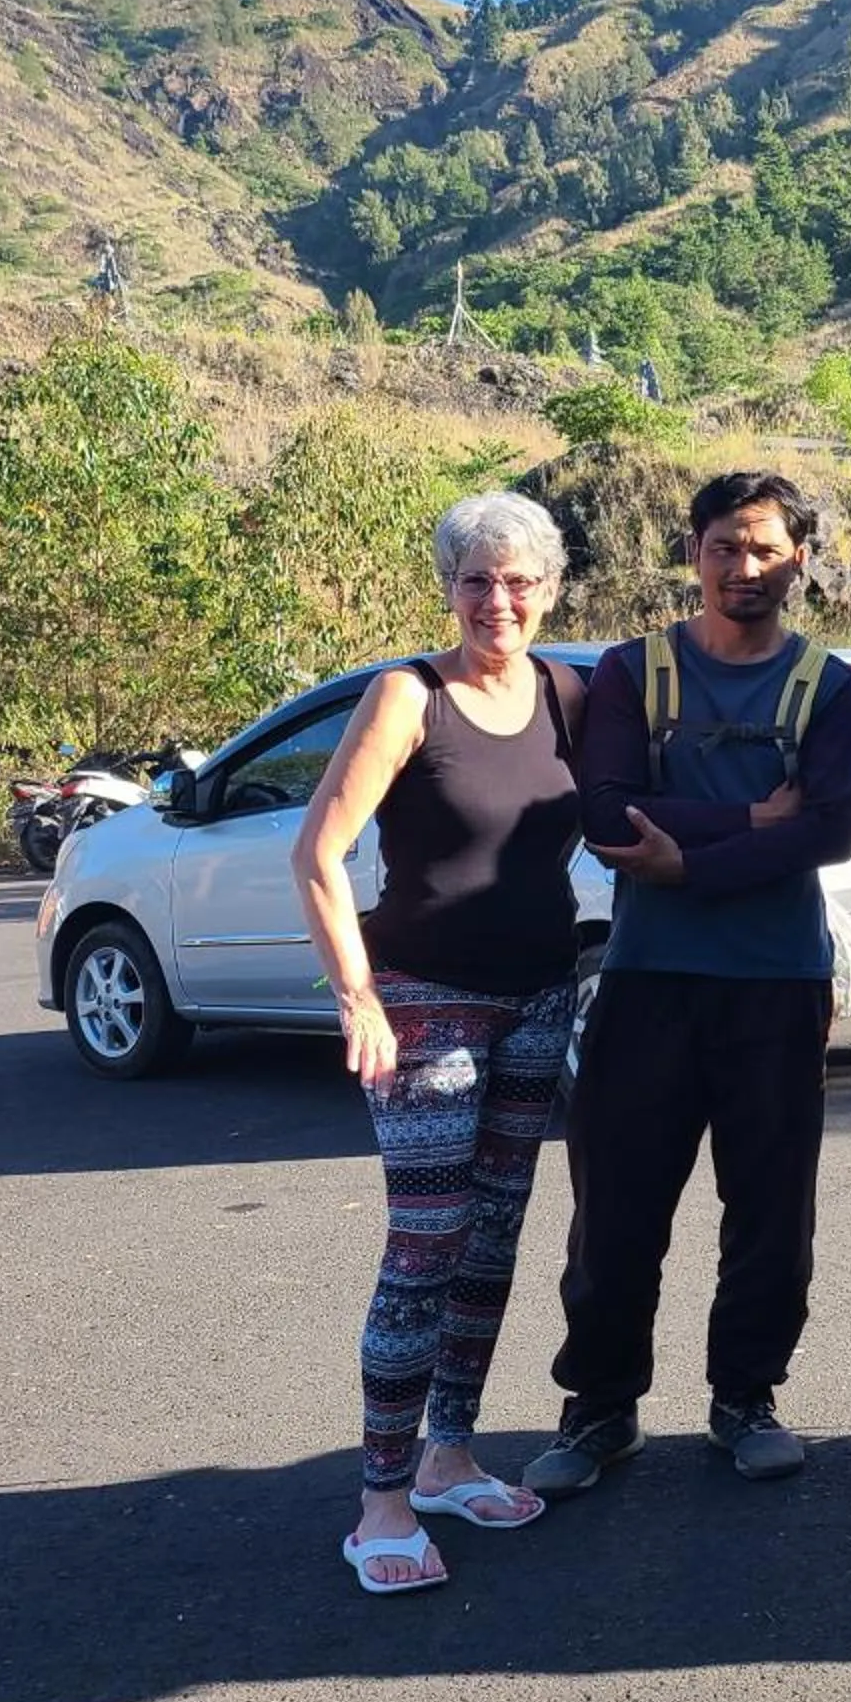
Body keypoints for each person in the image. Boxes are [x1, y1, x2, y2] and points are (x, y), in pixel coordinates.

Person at [523, 471, 851, 1499]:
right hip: (647, 979)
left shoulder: (830, 684)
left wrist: (689, 857)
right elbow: (610, 817)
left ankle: (746, 1396)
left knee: (770, 1209)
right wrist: (748, 826)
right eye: (726, 546)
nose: (745, 567)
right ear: (694, 552)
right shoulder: (637, 672)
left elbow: (832, 829)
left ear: (799, 560)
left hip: (777, 982)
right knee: (616, 1207)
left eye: (766, 549)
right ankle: (599, 1408)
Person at [294, 492, 585, 1594]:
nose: (498, 601)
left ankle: (449, 1453)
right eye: (477, 580)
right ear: (448, 588)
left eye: (519, 582)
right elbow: (320, 856)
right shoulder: (404, 697)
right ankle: (378, 1502)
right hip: (425, 999)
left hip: (539, 994)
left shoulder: (568, 691)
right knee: (428, 1239)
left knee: (495, 1235)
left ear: (549, 591)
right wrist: (357, 996)